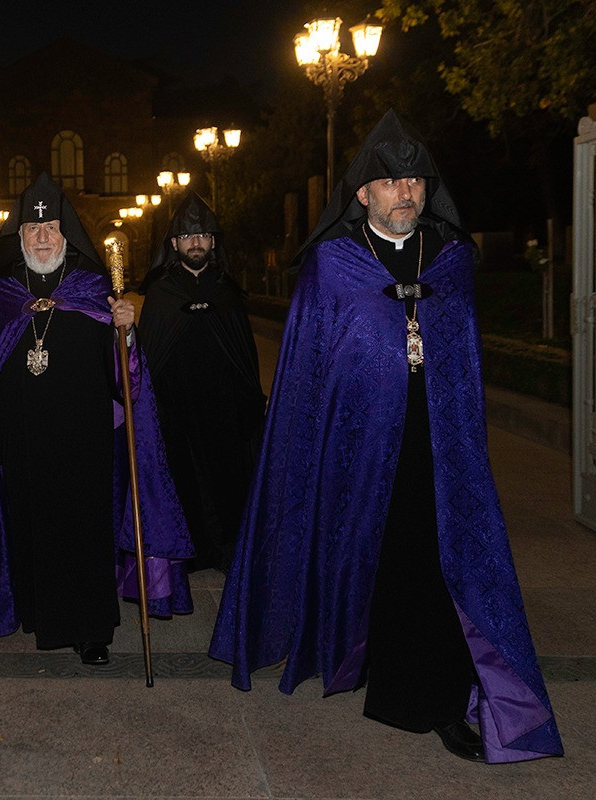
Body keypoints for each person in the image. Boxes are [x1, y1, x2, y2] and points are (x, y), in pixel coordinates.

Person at [209, 110, 563, 763]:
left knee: (432, 564)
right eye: (393, 182)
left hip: (438, 445)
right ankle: (361, 655)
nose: (407, 192)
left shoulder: (451, 262)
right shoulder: (332, 266)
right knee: (368, 558)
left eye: (417, 181)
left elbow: (463, 360)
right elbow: (308, 373)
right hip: (355, 447)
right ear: (363, 193)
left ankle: (435, 700)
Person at [0, 173, 191, 664]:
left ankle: (91, 630)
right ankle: (41, 615)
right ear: (20, 236)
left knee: (85, 532)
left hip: (85, 437)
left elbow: (123, 376)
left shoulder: (93, 288)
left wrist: (126, 332)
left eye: (51, 229)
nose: (42, 237)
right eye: (33, 229)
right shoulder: (4, 294)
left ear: (66, 236)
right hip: (23, 438)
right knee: (33, 527)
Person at [138, 192, 265, 573]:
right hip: (175, 409)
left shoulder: (227, 293)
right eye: (188, 236)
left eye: (204, 235)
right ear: (174, 243)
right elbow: (147, 356)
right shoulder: (161, 294)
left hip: (224, 409)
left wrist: (249, 405)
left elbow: (244, 357)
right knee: (182, 477)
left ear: (213, 242)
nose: (196, 242)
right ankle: (188, 552)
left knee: (229, 477)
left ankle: (229, 550)